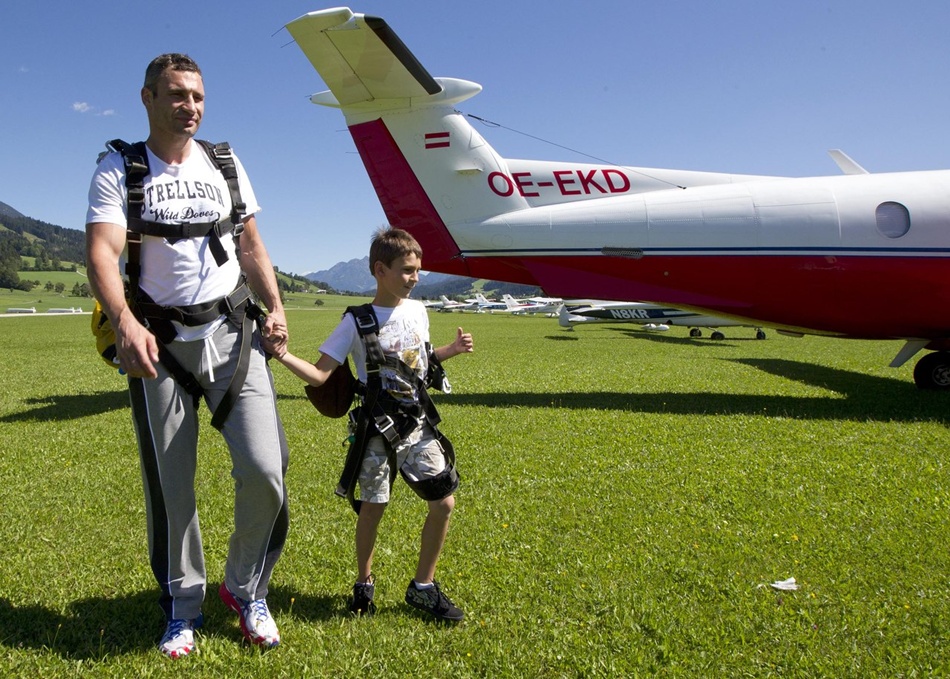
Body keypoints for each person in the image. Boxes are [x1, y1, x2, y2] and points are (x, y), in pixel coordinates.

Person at [85, 53, 289, 658]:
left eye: (197, 96)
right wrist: (123, 320)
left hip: (232, 333)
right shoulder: (119, 167)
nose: (190, 107)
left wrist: (274, 306)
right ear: (147, 98)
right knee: (173, 488)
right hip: (159, 345)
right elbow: (101, 251)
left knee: (267, 472)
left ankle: (245, 587)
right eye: (176, 95)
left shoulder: (225, 163)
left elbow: (250, 244)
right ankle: (182, 606)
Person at [269, 227, 473, 621]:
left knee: (443, 502)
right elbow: (319, 375)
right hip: (376, 432)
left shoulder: (418, 311)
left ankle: (423, 587)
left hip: (417, 425)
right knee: (373, 509)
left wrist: (453, 351)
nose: (416, 278)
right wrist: (281, 354)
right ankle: (363, 583)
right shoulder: (355, 322)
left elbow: (422, 362)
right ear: (380, 269)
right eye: (407, 270)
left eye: (418, 270)